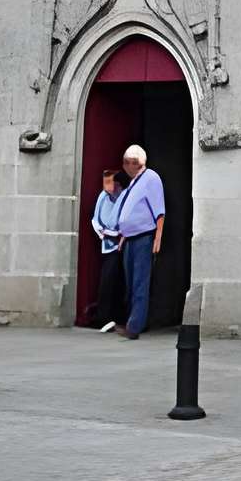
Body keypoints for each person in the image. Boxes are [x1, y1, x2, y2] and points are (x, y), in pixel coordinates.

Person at [113, 141, 165, 338]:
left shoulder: (151, 178)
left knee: (140, 282)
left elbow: (159, 211)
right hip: (130, 239)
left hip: (143, 238)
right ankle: (130, 322)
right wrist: (123, 236)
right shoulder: (134, 182)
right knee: (130, 283)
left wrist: (158, 238)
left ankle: (134, 327)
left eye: (131, 162)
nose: (127, 166)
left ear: (140, 162)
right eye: (126, 162)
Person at [91, 166, 129, 333]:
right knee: (108, 279)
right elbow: (96, 219)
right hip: (108, 244)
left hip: (124, 242)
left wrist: (119, 233)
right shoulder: (103, 196)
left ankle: (120, 316)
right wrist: (104, 232)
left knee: (122, 280)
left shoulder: (125, 196)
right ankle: (104, 316)